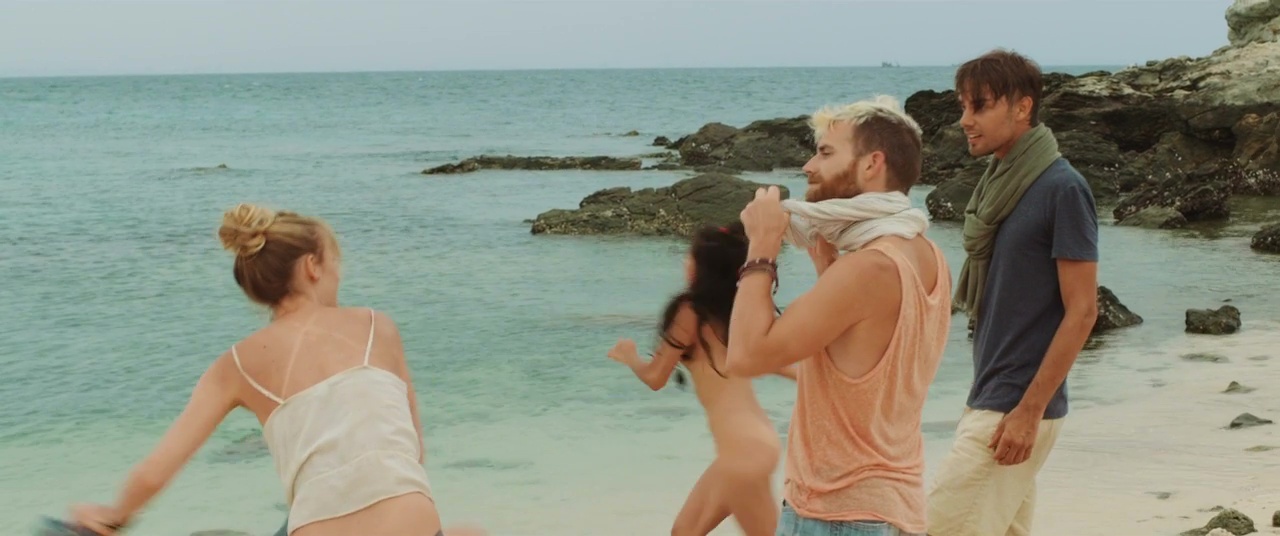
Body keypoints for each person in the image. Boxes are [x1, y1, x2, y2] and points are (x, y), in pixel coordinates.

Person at [65, 203, 482, 536]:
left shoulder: (234, 365)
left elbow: (156, 470)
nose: (338, 274)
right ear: (312, 266)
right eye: (336, 262)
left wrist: (112, 515)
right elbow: (414, 452)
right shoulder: (377, 326)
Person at [725, 95, 951, 536]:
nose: (808, 166)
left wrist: (762, 249)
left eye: (825, 153)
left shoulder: (866, 268)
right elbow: (859, 370)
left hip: (838, 514)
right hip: (892, 509)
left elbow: (745, 357)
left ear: (872, 164)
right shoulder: (925, 254)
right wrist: (827, 270)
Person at [926, 49, 1099, 536]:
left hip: (1014, 408)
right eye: (963, 106)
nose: (965, 120)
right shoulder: (998, 186)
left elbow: (1083, 311)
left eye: (979, 106)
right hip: (992, 395)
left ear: (1022, 107)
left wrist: (1029, 411)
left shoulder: (1063, 189)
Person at [605, 221, 795, 536]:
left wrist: (630, 357)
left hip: (741, 452)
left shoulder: (689, 312)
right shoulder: (729, 317)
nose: (685, 261)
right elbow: (778, 365)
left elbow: (656, 378)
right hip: (753, 444)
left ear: (702, 268)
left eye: (689, 256)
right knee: (684, 532)